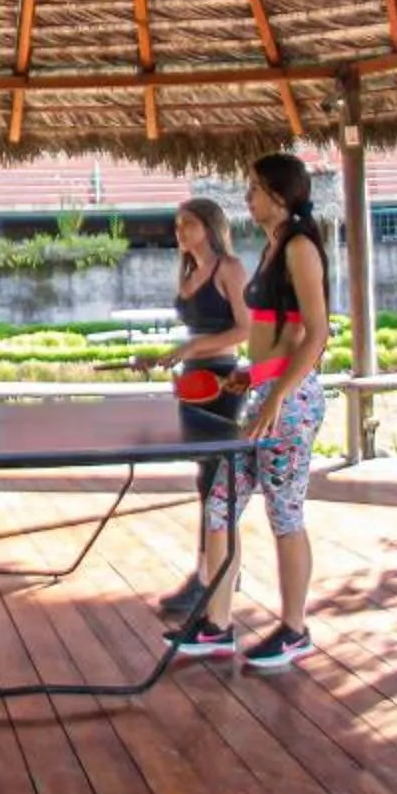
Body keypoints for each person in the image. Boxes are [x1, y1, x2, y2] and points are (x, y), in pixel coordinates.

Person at [166, 154, 327, 670]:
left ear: (279, 195)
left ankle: (295, 629)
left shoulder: (300, 247)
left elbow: (317, 334)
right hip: (262, 393)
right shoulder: (274, 247)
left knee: (285, 514)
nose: (247, 198)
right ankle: (217, 626)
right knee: (219, 507)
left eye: (255, 189)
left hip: (291, 402)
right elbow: (273, 336)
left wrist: (277, 393)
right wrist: (253, 378)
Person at [143, 198, 247, 616]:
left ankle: (212, 575)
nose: (180, 232)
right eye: (177, 225)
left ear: (210, 226)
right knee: (206, 479)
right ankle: (215, 570)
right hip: (194, 380)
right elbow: (196, 336)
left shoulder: (230, 270)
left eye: (188, 224)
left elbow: (244, 329)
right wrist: (167, 358)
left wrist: (191, 347)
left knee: (216, 484)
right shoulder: (188, 273)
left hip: (222, 381)